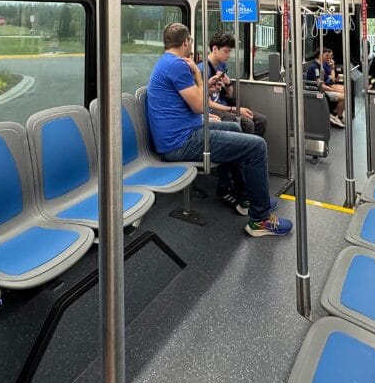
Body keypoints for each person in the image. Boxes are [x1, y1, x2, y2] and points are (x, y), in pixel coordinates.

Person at [147, 23, 291, 237]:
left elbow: (192, 102)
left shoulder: (167, 62)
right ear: (186, 42)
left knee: (235, 126)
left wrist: (206, 84)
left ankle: (245, 197)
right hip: (181, 142)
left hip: (186, 131)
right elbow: (199, 106)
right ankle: (260, 220)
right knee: (257, 146)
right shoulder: (177, 65)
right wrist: (198, 74)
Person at [204, 31, 269, 211]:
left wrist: (228, 83)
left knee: (261, 121)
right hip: (213, 110)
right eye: (225, 51)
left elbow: (230, 95)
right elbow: (205, 101)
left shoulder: (222, 66)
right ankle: (239, 178)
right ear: (215, 49)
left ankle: (245, 164)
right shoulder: (203, 68)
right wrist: (234, 109)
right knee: (246, 124)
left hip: (223, 105)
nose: (228, 55)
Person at [305, 48, 346, 127]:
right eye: (326, 55)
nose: (328, 57)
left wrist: (335, 89)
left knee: (344, 90)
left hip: (323, 88)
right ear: (319, 55)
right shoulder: (315, 68)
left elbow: (328, 81)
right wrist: (335, 90)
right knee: (344, 96)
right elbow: (320, 85)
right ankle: (338, 116)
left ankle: (334, 113)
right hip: (317, 91)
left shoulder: (321, 66)